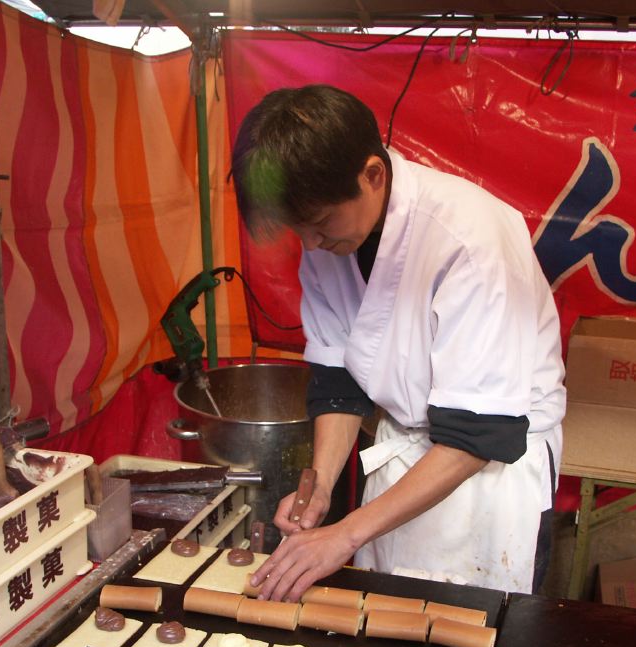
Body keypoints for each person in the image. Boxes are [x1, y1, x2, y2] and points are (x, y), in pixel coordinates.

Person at [232, 84, 565, 602]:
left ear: (372, 174)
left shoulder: (471, 240)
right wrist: (318, 486)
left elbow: (481, 432)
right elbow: (338, 381)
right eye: (301, 232)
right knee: (380, 636)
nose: (313, 245)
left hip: (487, 484)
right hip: (403, 461)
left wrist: (345, 533)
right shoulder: (329, 237)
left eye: (320, 225)